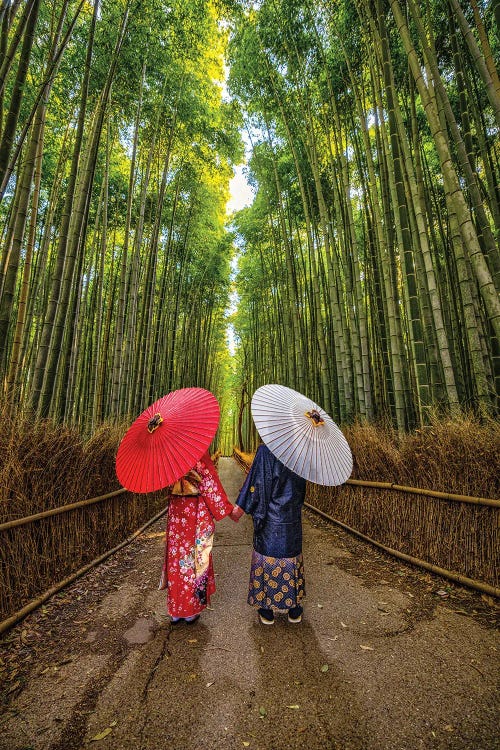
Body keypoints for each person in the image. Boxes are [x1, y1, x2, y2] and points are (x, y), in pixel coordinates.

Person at [231, 442, 307, 625]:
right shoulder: (301, 451)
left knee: (268, 557)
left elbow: (257, 483)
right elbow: (302, 490)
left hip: (271, 519)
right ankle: (294, 608)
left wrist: (241, 507)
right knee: (291, 557)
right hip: (291, 517)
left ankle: (267, 609)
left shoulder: (267, 450)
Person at [159, 451, 236, 623]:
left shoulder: (166, 453)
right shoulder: (196, 451)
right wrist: (227, 508)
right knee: (194, 557)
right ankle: (190, 610)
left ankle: (176, 611)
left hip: (176, 511)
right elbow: (210, 484)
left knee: (176, 558)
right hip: (194, 509)